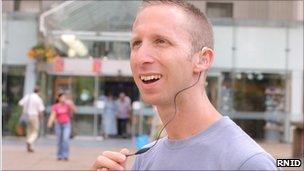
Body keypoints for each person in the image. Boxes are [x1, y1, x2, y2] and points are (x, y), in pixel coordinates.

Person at [91, 0, 279, 170]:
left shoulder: (247, 162)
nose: (141, 57)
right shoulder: (144, 159)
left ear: (202, 59)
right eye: (136, 43)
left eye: (161, 41)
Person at [47, 93, 75, 161]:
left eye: (64, 97)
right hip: (58, 124)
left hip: (66, 124)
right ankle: (59, 155)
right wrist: (49, 123)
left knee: (65, 139)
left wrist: (71, 104)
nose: (63, 99)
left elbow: (74, 111)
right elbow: (53, 115)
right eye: (62, 97)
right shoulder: (55, 106)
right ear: (59, 98)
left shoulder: (67, 105)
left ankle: (65, 155)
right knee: (59, 140)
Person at [18, 86, 45, 153]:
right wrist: (41, 118)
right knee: (35, 131)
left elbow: (20, 103)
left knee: (29, 131)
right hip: (34, 116)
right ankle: (29, 141)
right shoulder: (38, 99)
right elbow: (41, 110)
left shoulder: (28, 96)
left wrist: (24, 110)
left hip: (26, 116)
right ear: (39, 91)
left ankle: (30, 147)